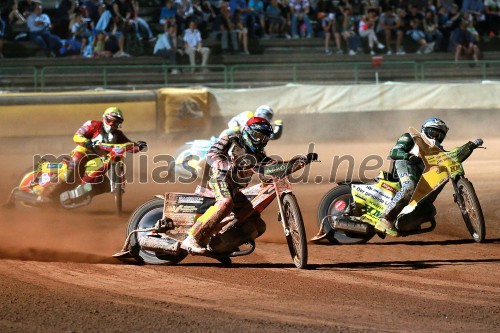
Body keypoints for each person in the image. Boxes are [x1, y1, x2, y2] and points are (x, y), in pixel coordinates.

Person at [180, 117, 274, 253]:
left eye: (264, 138)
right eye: (258, 135)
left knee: (257, 224)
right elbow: (212, 154)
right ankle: (194, 238)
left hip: (235, 189)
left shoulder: (259, 154)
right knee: (226, 203)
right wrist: (226, 165)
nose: (260, 140)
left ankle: (222, 244)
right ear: (248, 132)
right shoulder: (231, 138)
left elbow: (272, 166)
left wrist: (298, 162)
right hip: (218, 179)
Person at [375, 118, 483, 236]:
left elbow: (453, 156)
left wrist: (470, 146)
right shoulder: (411, 137)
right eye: (433, 133)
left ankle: (403, 223)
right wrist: (408, 156)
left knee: (428, 210)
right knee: (409, 187)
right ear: (424, 130)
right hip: (406, 164)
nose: (436, 137)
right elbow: (395, 151)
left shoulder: (439, 151)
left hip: (422, 180)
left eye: (440, 135)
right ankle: (385, 219)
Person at [44, 107, 146, 202]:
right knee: (73, 167)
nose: (111, 124)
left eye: (115, 123)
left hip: (99, 159)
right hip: (84, 151)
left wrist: (138, 146)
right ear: (104, 118)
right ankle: (48, 194)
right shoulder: (93, 124)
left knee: (103, 184)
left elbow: (128, 145)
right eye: (109, 120)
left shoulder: (118, 135)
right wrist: (86, 142)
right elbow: (77, 136)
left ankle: (81, 195)